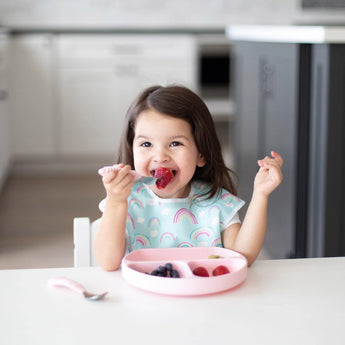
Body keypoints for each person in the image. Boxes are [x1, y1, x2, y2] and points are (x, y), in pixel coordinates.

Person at [94, 85, 283, 271]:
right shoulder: (127, 201)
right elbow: (108, 262)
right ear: (131, 149)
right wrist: (116, 201)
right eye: (146, 144)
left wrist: (260, 195)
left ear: (201, 154)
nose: (160, 156)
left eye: (175, 143)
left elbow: (243, 256)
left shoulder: (216, 202)